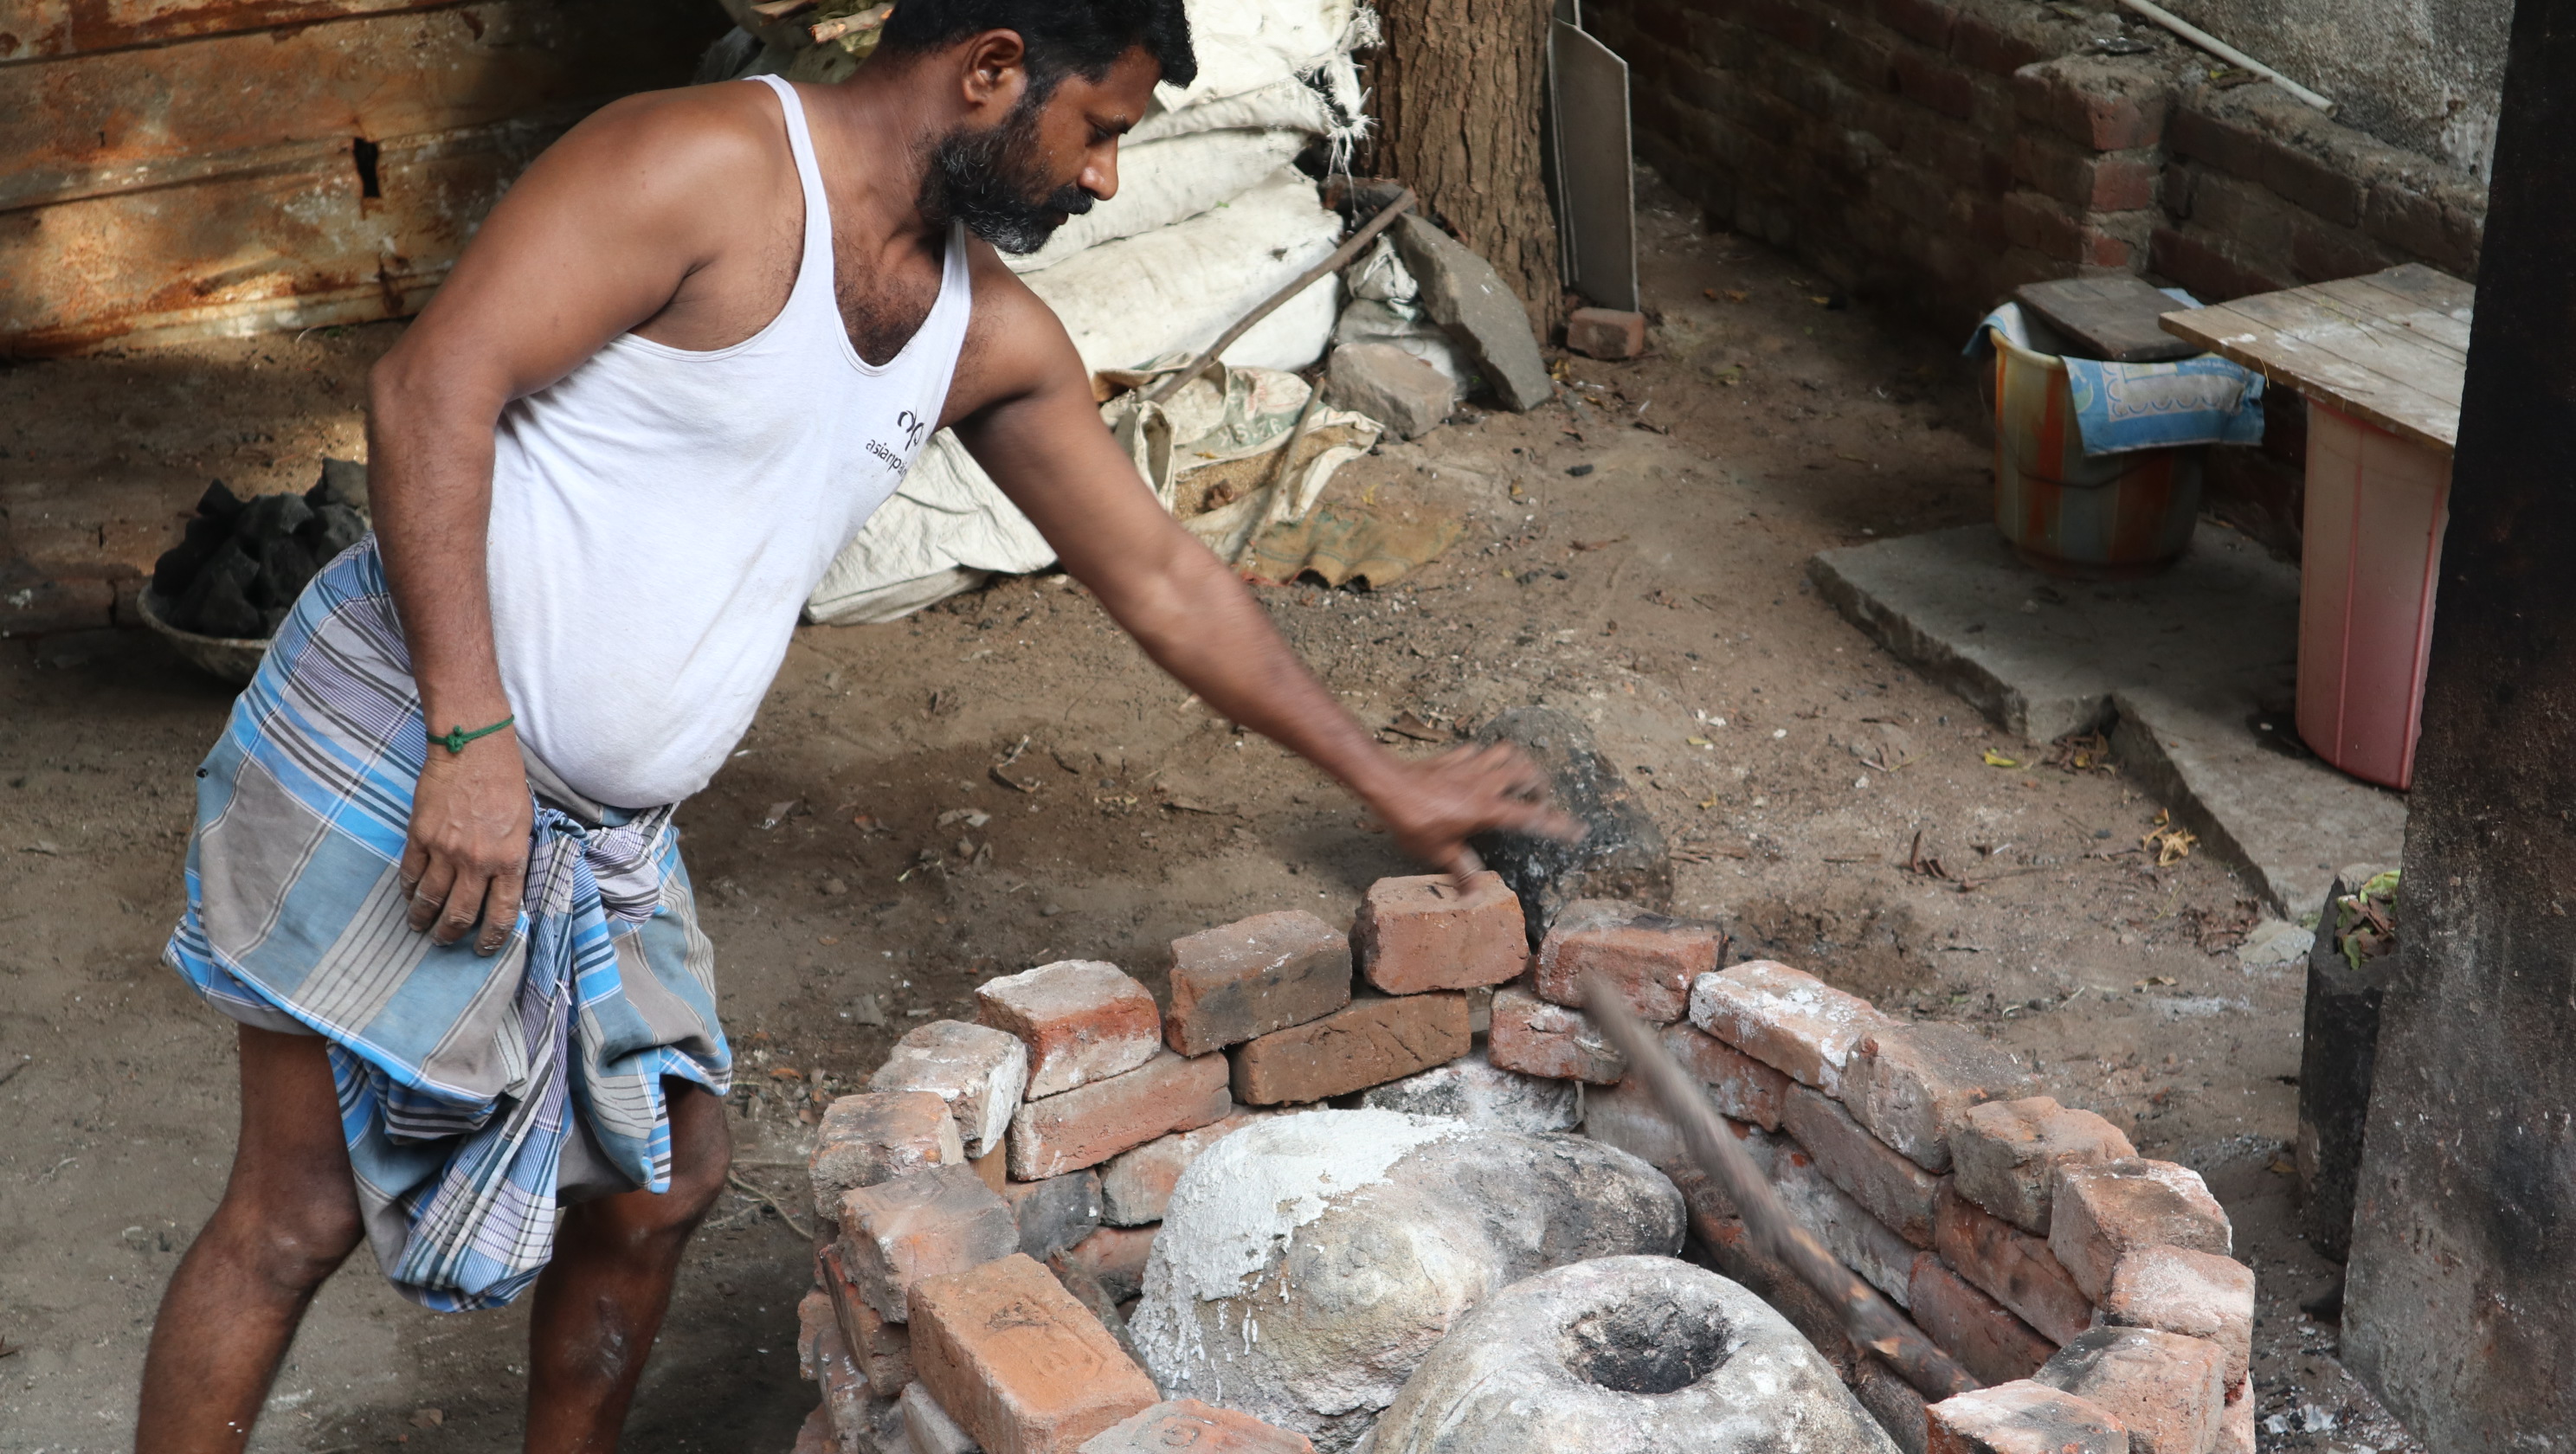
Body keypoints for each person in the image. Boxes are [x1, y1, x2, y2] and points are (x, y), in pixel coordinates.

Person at [139, 2, 1571, 1449]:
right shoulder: (697, 169)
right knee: (294, 1216)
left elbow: (1163, 579)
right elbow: (428, 385)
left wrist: (1380, 774)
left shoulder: (981, 331)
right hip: (410, 735)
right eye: (1100, 130)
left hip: (602, 834)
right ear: (992, 67)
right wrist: (467, 736)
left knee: (662, 1188)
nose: (1105, 179)